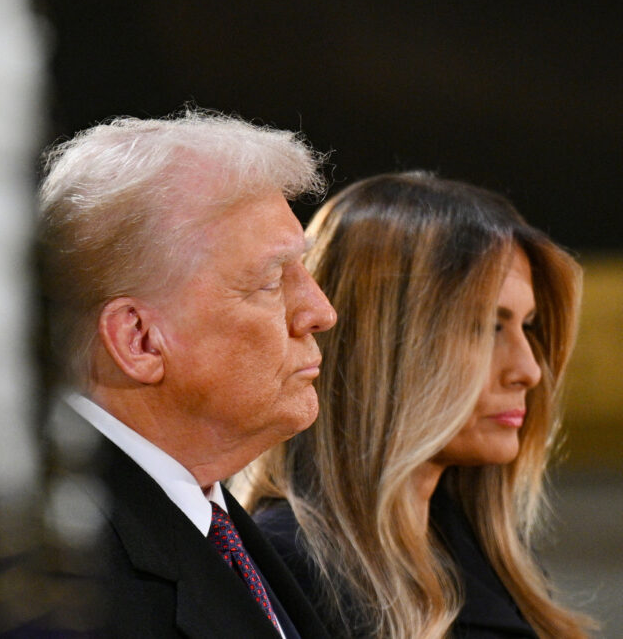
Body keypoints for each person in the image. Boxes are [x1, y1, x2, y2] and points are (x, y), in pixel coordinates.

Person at [240, 172, 596, 638]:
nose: (528, 370)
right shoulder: (282, 571)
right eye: (489, 326)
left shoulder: (488, 561)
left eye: (527, 326)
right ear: (383, 345)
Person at [37, 110, 338, 638]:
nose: (319, 311)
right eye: (271, 281)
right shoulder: (60, 574)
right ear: (140, 339)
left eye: (303, 272)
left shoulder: (211, 525)